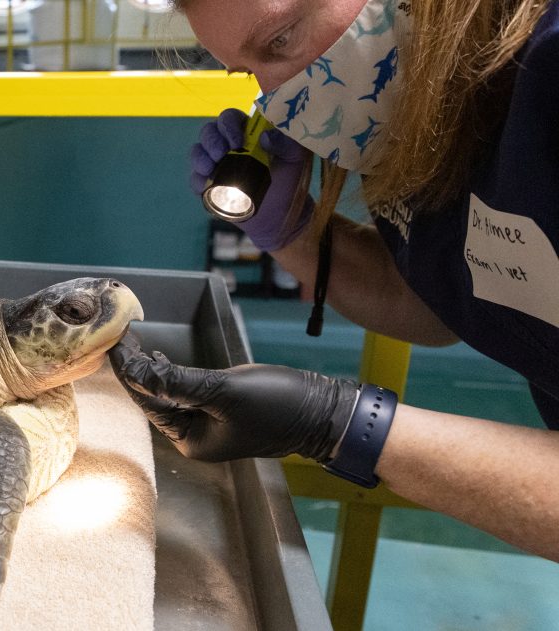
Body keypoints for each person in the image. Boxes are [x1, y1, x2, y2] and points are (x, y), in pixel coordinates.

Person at [110, 0, 559, 561]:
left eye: (280, 40)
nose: (274, 99)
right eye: (249, 72)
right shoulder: (413, 103)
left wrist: (340, 424)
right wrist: (292, 230)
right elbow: (442, 302)